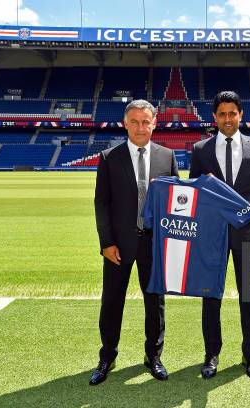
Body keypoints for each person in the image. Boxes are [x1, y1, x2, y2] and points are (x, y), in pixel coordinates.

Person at [189, 91, 250, 381]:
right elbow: (193, 192)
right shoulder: (200, 149)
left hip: (248, 233)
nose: (228, 119)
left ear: (241, 115)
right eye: (222, 114)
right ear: (214, 118)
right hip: (211, 235)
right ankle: (211, 355)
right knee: (210, 296)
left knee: (249, 297)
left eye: (233, 113)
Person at [90, 99, 180, 385]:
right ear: (125, 124)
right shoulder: (109, 158)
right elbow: (101, 203)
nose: (141, 127)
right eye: (135, 122)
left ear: (154, 123)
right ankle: (107, 356)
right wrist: (106, 242)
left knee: (155, 303)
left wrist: (173, 241)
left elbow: (176, 201)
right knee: (112, 302)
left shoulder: (167, 156)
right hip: (117, 246)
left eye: (146, 121)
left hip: (154, 245)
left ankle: (153, 356)